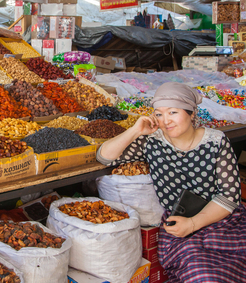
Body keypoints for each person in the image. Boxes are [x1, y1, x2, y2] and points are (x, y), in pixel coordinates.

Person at [97, 82, 246, 282]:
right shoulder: (152, 141)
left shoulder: (216, 142)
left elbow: (229, 196)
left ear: (192, 113)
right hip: (180, 225)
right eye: (158, 114)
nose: (166, 121)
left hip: (223, 223)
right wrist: (135, 130)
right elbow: (104, 157)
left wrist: (194, 223)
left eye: (173, 112)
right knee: (204, 275)